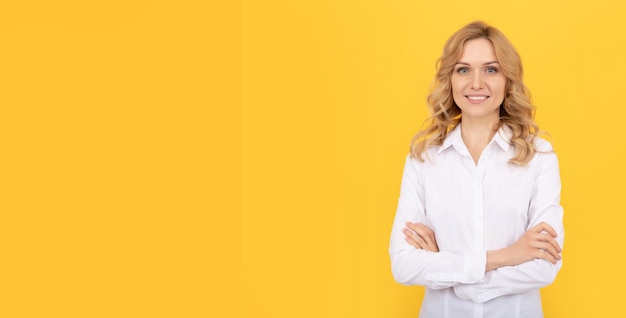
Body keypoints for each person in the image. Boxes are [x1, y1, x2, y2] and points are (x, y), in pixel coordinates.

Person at [388, 21, 564, 318]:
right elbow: (404, 265)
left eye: (491, 69)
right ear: (451, 79)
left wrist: (450, 271)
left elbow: (544, 267)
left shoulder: (539, 156)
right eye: (464, 69)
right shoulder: (423, 158)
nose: (477, 83)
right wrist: (509, 255)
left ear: (508, 79)